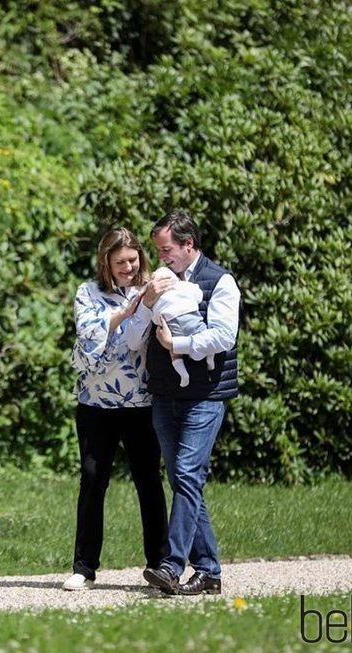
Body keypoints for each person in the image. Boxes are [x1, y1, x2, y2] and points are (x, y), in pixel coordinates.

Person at [125, 209, 240, 596]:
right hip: (164, 397)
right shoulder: (158, 283)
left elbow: (224, 336)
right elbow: (132, 339)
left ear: (189, 245)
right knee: (182, 481)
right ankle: (208, 571)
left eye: (167, 250)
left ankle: (172, 567)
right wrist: (145, 303)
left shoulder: (220, 281)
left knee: (187, 477)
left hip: (204, 397)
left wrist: (181, 346)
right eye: (158, 251)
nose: (162, 258)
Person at [63, 227, 169, 591]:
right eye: (120, 261)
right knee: (93, 481)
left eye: (133, 259)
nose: (128, 266)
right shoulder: (87, 292)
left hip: (141, 403)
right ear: (106, 261)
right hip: (96, 404)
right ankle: (84, 568)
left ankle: (160, 566)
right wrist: (125, 312)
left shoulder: (149, 287)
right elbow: (87, 332)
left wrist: (146, 302)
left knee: (149, 483)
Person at [149, 266, 214, 388]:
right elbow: (198, 295)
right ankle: (210, 357)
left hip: (173, 325)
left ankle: (184, 375)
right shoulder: (182, 286)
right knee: (205, 337)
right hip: (191, 318)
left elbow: (156, 317)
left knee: (174, 353)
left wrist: (159, 322)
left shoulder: (157, 299)